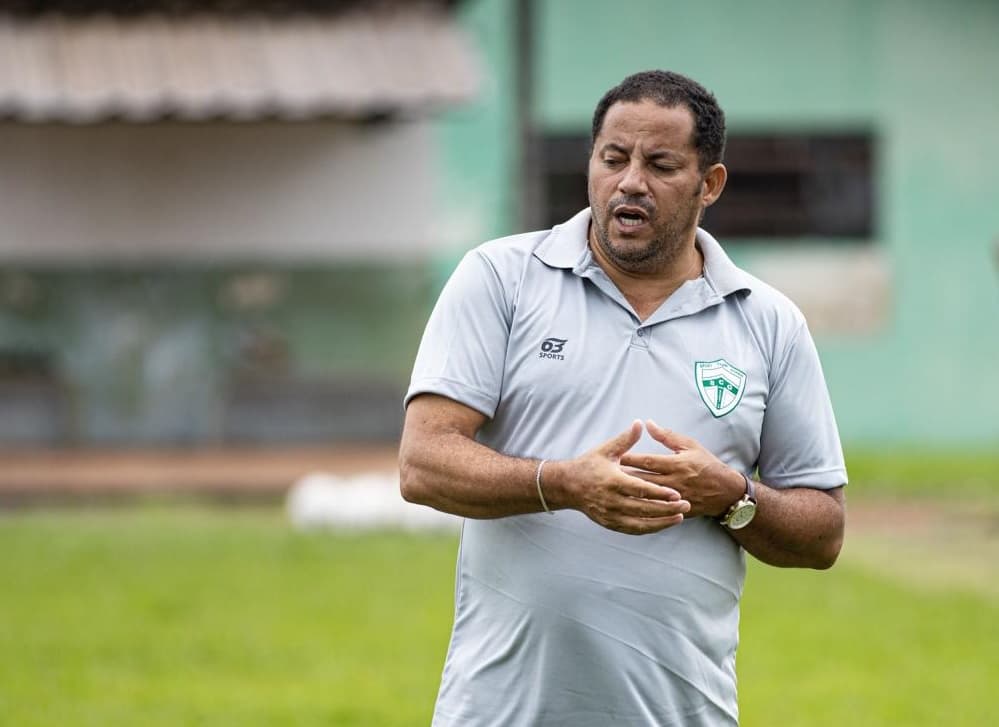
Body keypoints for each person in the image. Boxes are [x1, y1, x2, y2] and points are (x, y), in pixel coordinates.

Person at [398, 69, 847, 726]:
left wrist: (731, 496)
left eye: (660, 164)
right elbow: (423, 461)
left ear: (708, 185)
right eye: (613, 158)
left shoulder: (767, 322)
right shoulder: (501, 280)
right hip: (500, 712)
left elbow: (823, 531)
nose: (629, 181)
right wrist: (562, 483)